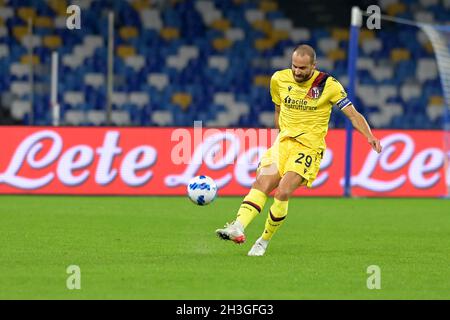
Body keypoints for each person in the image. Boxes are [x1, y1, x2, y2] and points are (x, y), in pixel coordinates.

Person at [216, 44, 383, 256]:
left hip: (309, 147)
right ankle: (237, 226)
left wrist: (369, 136)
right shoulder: (279, 79)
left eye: (303, 68)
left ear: (314, 66)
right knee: (262, 182)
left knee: (283, 190)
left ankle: (263, 241)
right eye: (294, 66)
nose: (297, 71)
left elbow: (353, 114)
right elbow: (278, 109)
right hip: (283, 143)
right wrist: (279, 135)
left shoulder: (328, 85)